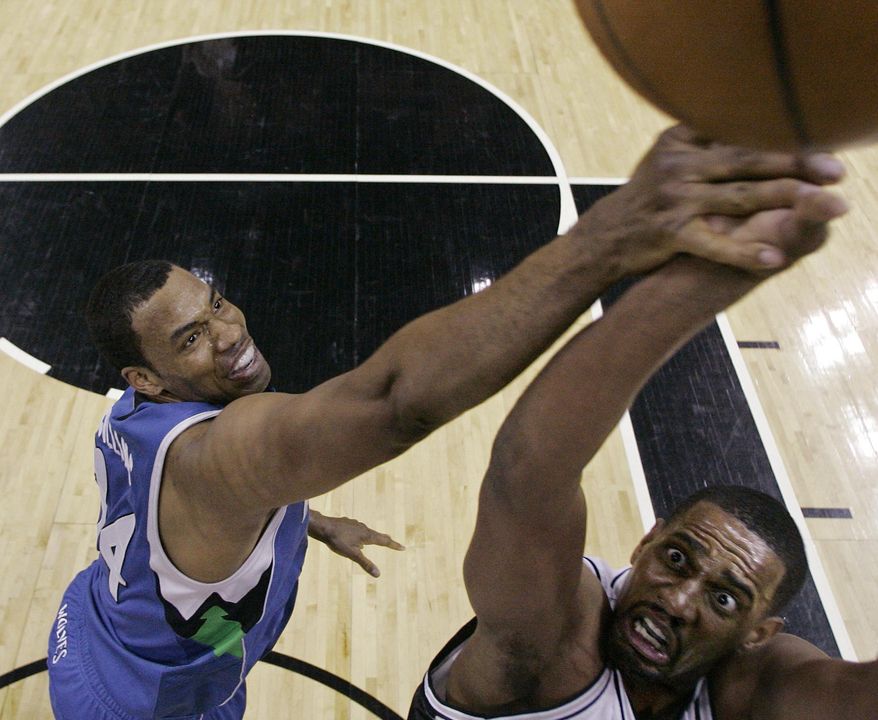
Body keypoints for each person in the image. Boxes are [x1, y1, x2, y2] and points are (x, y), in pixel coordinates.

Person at [47, 125, 848, 719]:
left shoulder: (137, 420)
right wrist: (613, 235)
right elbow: (393, 403)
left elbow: (193, 510)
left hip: (101, 625)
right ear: (144, 376)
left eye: (216, 302)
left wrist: (312, 521)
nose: (228, 332)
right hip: (146, 702)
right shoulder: (218, 457)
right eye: (191, 338)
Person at [407, 174, 877, 719]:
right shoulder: (555, 640)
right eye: (675, 559)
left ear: (758, 634)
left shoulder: (756, 687)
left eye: (723, 599)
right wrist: (705, 281)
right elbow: (527, 471)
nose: (677, 601)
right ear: (645, 544)